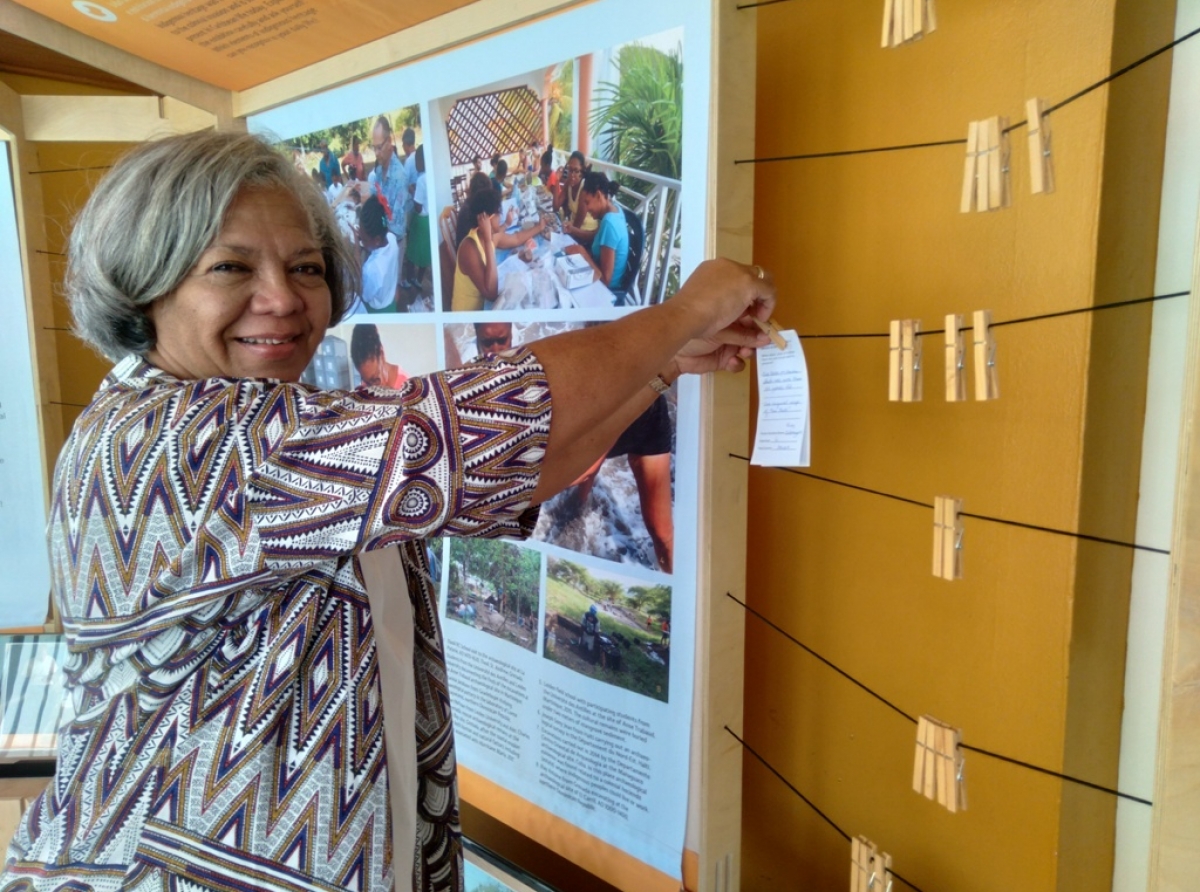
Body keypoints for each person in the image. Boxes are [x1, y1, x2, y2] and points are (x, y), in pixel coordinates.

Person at [0, 130, 774, 892]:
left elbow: (513, 467)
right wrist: (685, 310)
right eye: (230, 266)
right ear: (146, 287)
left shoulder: (280, 419)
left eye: (305, 266)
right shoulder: (181, 438)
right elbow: (471, 437)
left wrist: (660, 366)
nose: (282, 298)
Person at [564, 170, 629, 290]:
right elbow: (596, 236)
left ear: (599, 195)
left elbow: (605, 280)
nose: (586, 208)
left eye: (587, 202)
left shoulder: (610, 224)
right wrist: (573, 230)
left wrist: (583, 253)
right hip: (596, 268)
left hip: (605, 289)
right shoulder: (614, 210)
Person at [368, 114, 409, 283]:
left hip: (393, 243)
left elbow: (397, 227)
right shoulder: (378, 171)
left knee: (392, 286)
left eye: (379, 147)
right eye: (374, 148)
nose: (376, 153)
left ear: (389, 142)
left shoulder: (399, 176)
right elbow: (377, 202)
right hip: (382, 239)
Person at [451, 187, 501, 311]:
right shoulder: (469, 248)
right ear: (486, 219)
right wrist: (489, 240)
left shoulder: (482, 238)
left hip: (479, 309)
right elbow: (492, 294)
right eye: (498, 214)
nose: (500, 218)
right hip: (467, 322)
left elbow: (514, 238)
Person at [357, 193, 399, 313]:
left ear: (377, 240)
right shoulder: (392, 239)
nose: (361, 241)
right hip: (390, 303)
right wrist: (364, 239)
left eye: (363, 239)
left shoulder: (371, 269)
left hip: (377, 311)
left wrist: (357, 248)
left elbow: (365, 295)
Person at [555, 150, 599, 246]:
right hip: (573, 228)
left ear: (582, 171)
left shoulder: (584, 190)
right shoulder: (568, 183)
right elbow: (556, 207)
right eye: (570, 170)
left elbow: (577, 225)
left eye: (576, 171)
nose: (572, 175)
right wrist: (557, 180)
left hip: (585, 235)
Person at [405, 145, 432, 298]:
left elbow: (417, 205)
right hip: (427, 221)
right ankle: (419, 280)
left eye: (417, 160)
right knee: (423, 254)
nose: (415, 164)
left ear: (422, 160)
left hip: (420, 219)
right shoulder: (429, 176)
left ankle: (409, 280)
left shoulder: (421, 180)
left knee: (411, 252)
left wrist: (412, 192)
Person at [351, 322, 408, 388]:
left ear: (382, 354)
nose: (373, 388)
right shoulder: (365, 389)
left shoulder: (406, 386)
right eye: (367, 383)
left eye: (375, 379)